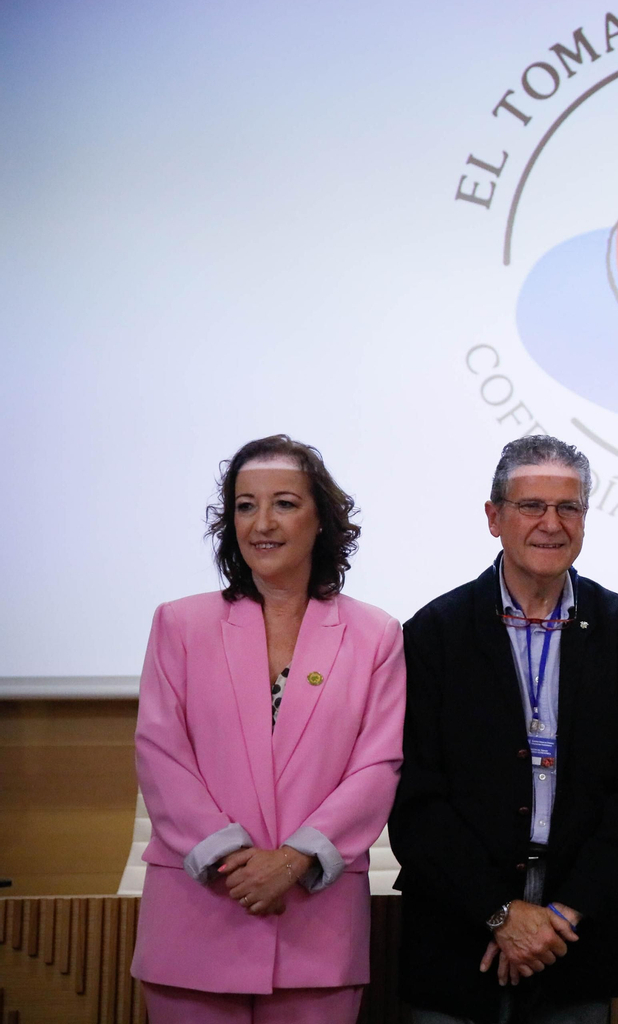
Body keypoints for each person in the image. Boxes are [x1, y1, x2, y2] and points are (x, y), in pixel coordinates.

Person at [391, 434, 618, 1024]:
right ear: (494, 517)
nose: (551, 523)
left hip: (576, 938)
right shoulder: (435, 632)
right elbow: (415, 799)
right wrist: (499, 913)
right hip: (457, 933)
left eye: (568, 507)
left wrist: (563, 915)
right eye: (531, 506)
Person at [131, 435, 406, 1023]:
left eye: (284, 503)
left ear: (321, 520)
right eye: (245, 505)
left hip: (315, 920)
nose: (262, 523)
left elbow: (377, 767)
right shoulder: (179, 624)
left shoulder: (375, 635)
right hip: (199, 912)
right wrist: (231, 858)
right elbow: (160, 754)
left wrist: (293, 861)